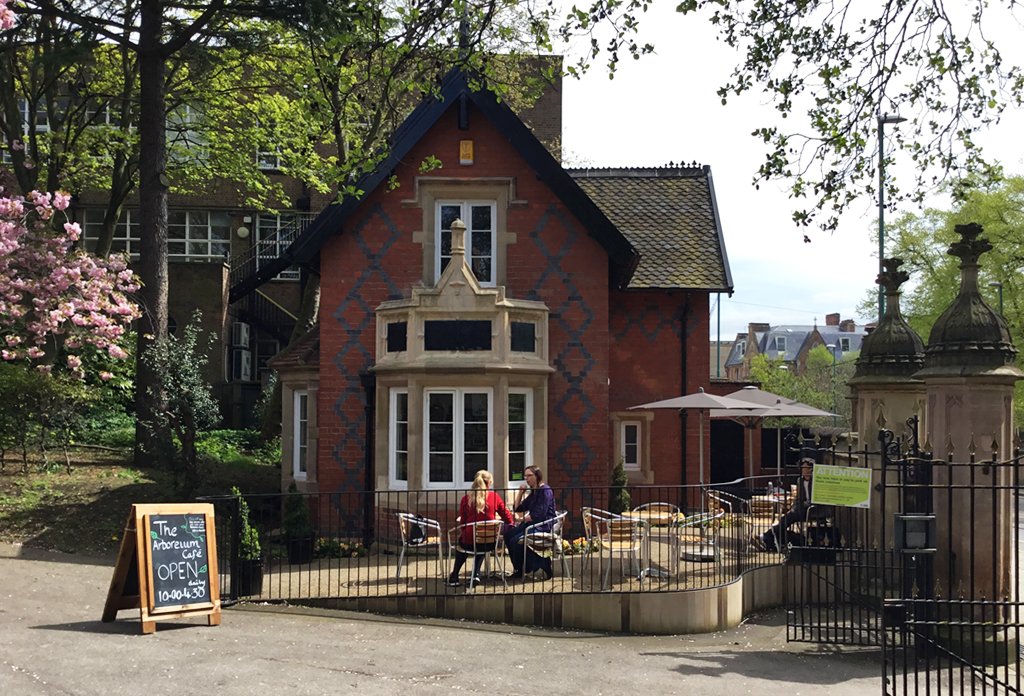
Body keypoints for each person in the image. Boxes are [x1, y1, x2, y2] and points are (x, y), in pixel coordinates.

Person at [447, 470, 514, 587]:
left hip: (469, 541)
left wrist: (466, 533)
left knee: (465, 543)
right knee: (482, 541)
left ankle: (455, 576)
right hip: (489, 541)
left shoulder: (466, 498)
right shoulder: (494, 497)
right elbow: (508, 518)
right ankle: (475, 574)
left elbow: (463, 521)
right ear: (489, 483)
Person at [503, 465, 556, 580]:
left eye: (529, 476)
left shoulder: (545, 490)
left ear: (537, 476)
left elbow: (539, 514)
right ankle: (519, 568)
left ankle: (540, 563)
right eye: (525, 476)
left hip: (543, 524)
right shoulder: (534, 492)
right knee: (508, 536)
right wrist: (520, 493)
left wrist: (520, 520)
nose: (527, 479)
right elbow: (518, 508)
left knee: (516, 540)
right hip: (532, 523)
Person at [755, 458, 816, 551]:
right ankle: (768, 539)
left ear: (811, 469)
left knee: (787, 518)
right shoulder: (800, 480)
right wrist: (794, 507)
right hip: (801, 508)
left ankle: (766, 537)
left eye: (805, 468)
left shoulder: (815, 481)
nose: (802, 470)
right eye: (802, 468)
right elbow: (798, 498)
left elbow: (815, 499)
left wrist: (803, 505)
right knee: (785, 519)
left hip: (812, 509)